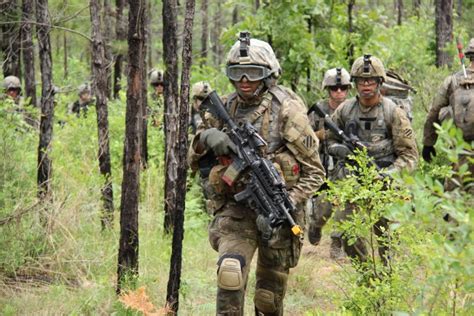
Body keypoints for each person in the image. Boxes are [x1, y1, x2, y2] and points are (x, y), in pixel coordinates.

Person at [187, 33, 324, 315]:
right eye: (238, 73)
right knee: (230, 275)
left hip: (278, 216)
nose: (245, 80)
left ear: (268, 74)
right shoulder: (223, 107)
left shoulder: (288, 110)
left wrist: (287, 202)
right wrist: (206, 138)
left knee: (268, 298)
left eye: (253, 72)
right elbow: (194, 160)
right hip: (236, 209)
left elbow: (315, 172)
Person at [327, 54, 418, 266]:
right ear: (355, 84)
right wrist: (340, 151)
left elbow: (410, 156)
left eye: (370, 81)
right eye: (361, 81)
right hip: (353, 182)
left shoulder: (392, 112)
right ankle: (368, 275)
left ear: (379, 83)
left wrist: (387, 174)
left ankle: (386, 281)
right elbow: (329, 139)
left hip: (385, 184)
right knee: (349, 233)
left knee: (387, 240)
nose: (365, 85)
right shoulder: (345, 109)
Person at [306, 67, 351, 260]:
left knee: (346, 204)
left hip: (346, 167)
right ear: (328, 89)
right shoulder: (318, 112)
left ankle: (337, 242)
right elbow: (302, 139)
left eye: (342, 88)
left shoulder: (353, 109)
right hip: (322, 165)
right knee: (324, 208)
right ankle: (316, 225)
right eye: (334, 88)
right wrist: (319, 136)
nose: (339, 92)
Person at [422, 38, 474, 192]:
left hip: (460, 152)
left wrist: (428, 143)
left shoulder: (452, 81)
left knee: (457, 199)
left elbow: (434, 112)